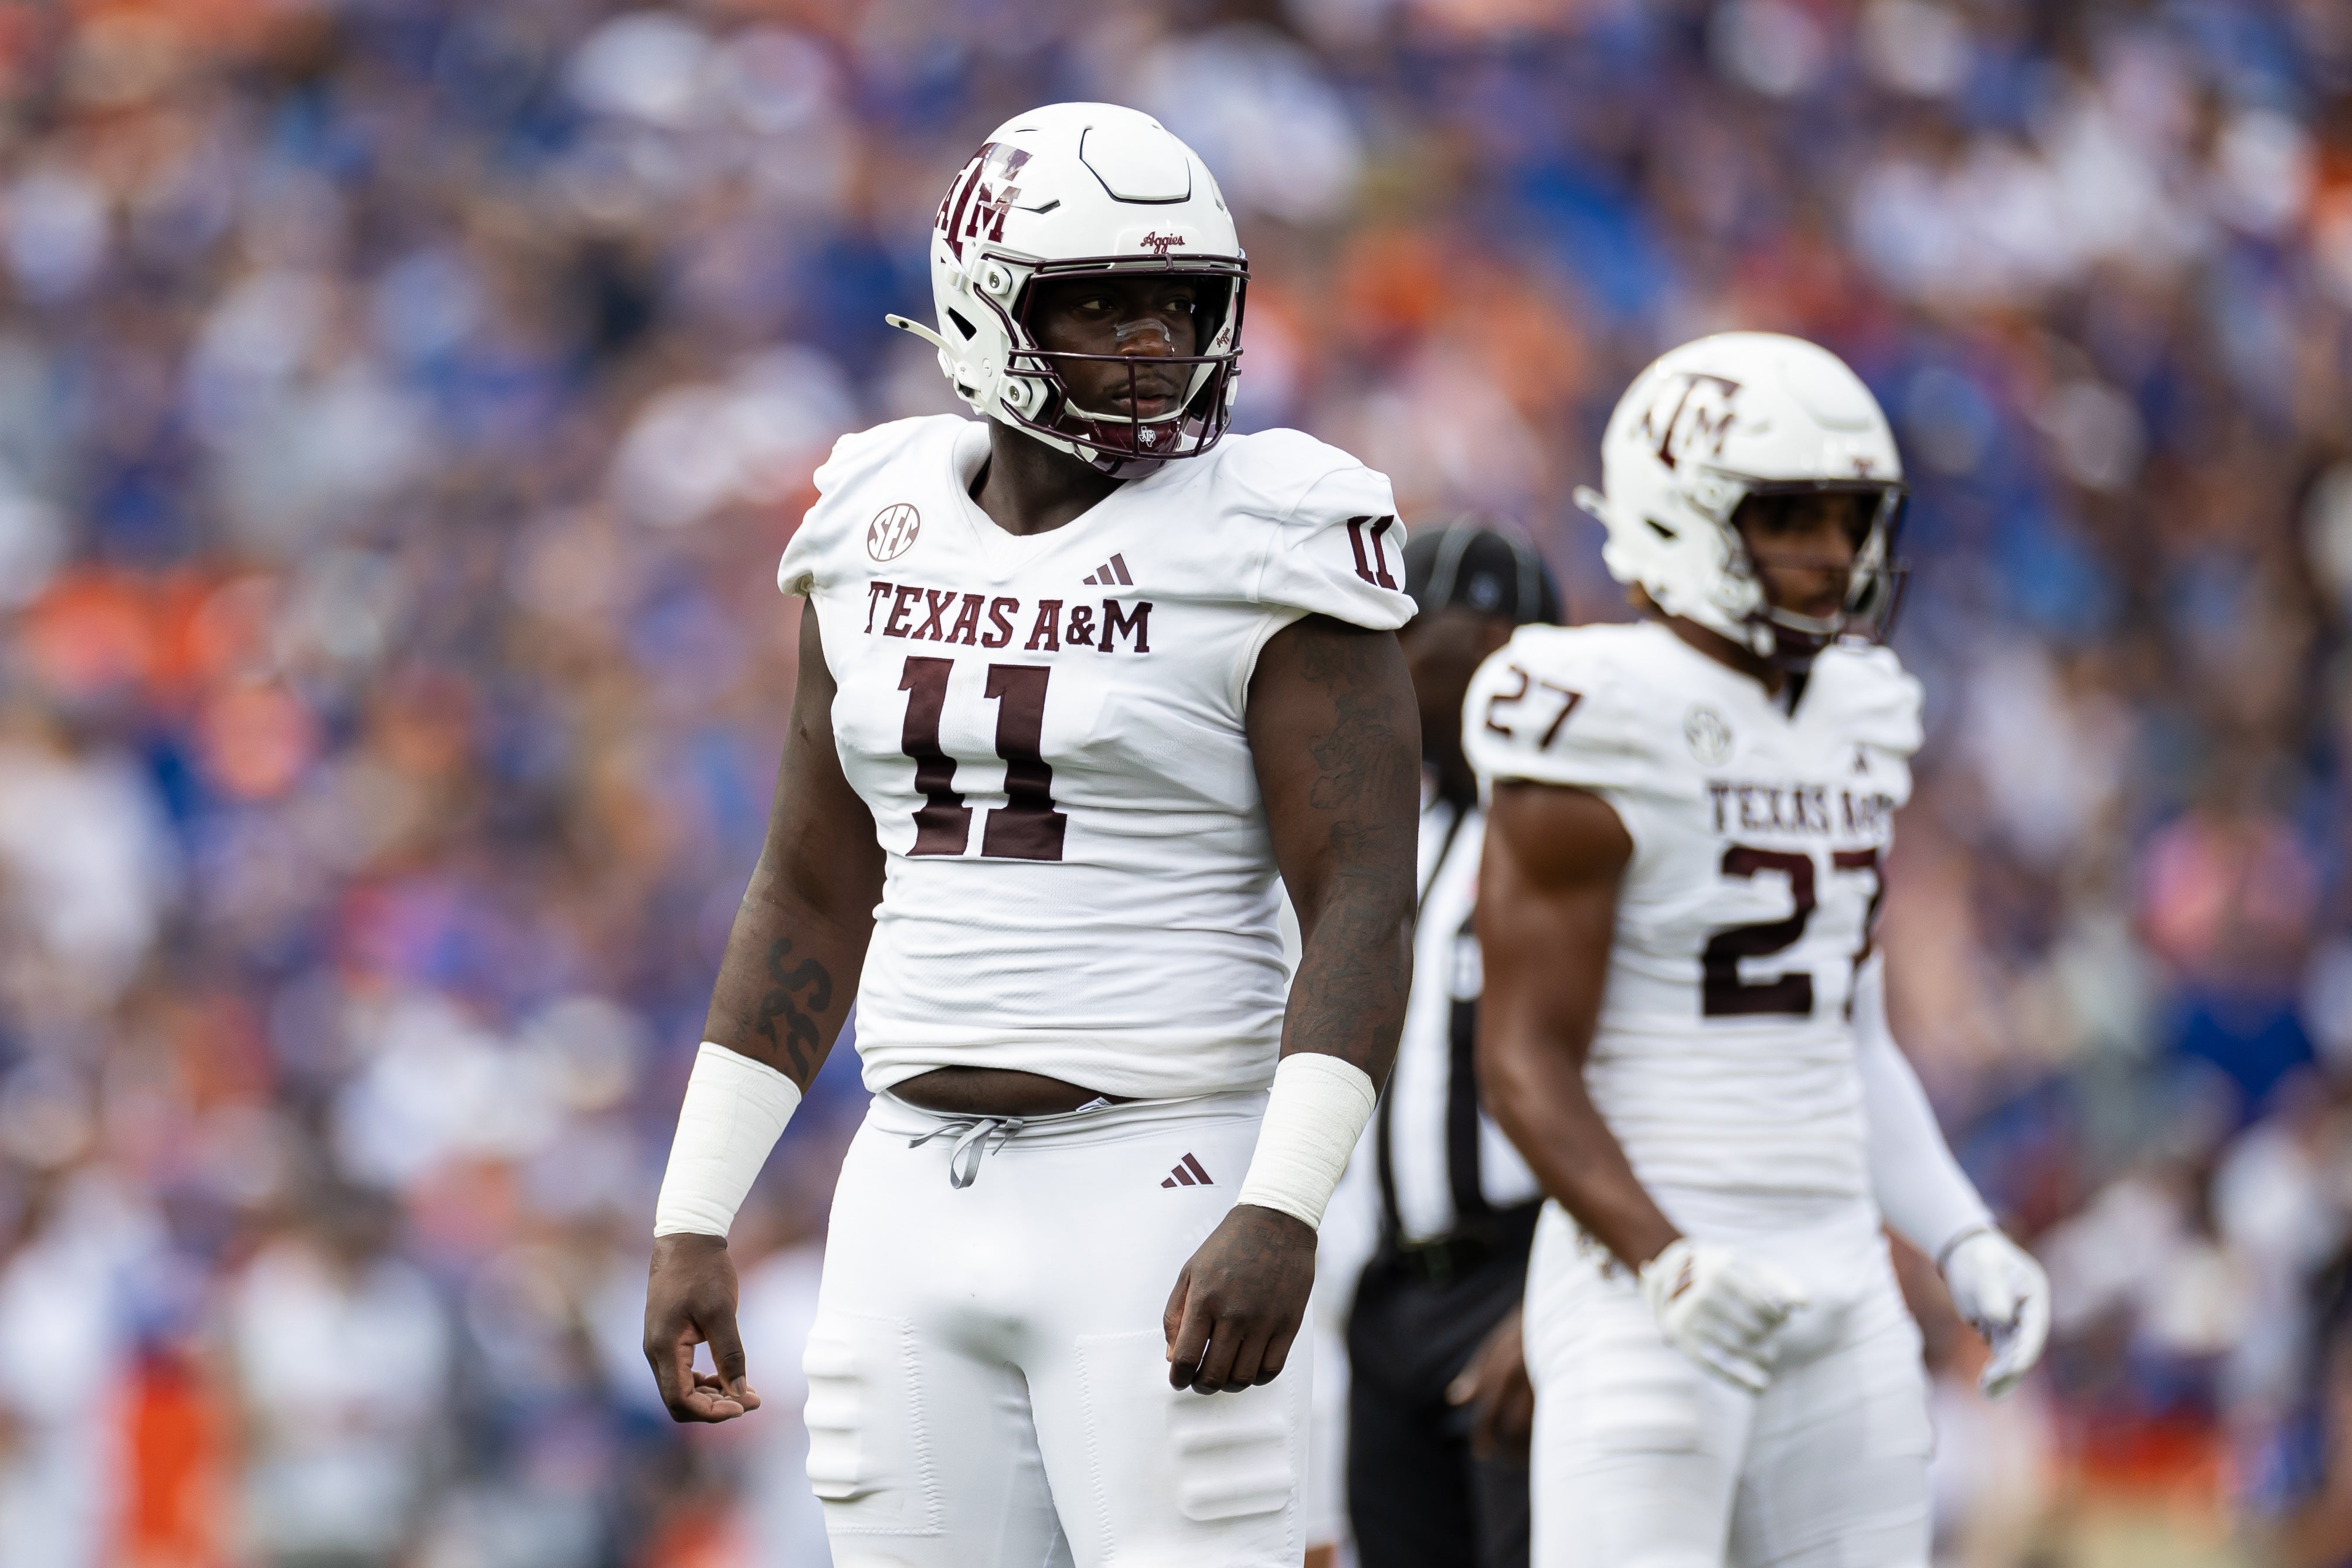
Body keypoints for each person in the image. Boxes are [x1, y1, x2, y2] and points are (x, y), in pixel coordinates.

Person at [640, 103, 1420, 1566]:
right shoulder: (872, 516)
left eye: (1178, 302)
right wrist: (696, 1211)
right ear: (984, 309)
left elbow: (1367, 898)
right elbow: (809, 886)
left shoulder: (1273, 527)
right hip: (904, 1187)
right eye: (1102, 303)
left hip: (1164, 1179)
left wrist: (1283, 1200)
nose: (1148, 340)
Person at [1465, 332, 2054, 1568]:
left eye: (1849, 522)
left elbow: (1847, 1036)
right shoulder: (1590, 709)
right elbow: (1518, 1057)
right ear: (1678, 513)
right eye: (1790, 518)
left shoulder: (1858, 714)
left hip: (1839, 1275)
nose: (1832, 557)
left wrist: (1960, 1235)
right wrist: (1661, 1259)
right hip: (1641, 1290)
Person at [1344, 523, 1559, 1568]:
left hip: (1520, 1270)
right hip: (1392, 1296)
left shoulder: (1573, 825)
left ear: (1493, 642)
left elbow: (1633, 1077)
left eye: (1408, 634)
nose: (1381, 663)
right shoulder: (1407, 833)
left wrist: (1565, 1297)